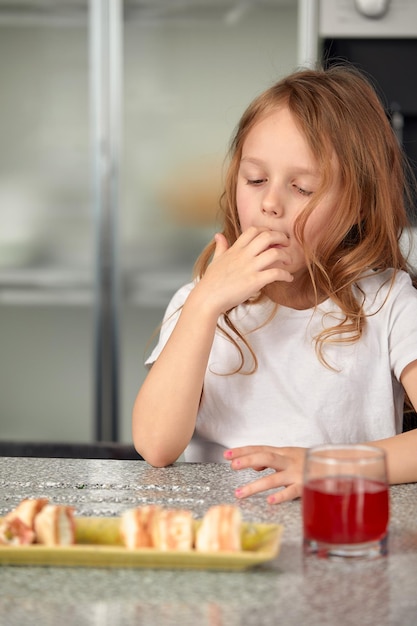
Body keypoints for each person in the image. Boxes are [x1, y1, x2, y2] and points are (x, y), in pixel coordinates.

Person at [132, 64, 417, 504]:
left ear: (358, 204)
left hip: (336, 533)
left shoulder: (390, 302)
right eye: (256, 179)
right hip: (223, 537)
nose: (269, 203)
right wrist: (205, 304)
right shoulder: (199, 304)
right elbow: (155, 444)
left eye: (303, 188)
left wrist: (327, 466)